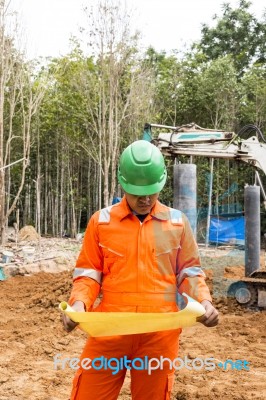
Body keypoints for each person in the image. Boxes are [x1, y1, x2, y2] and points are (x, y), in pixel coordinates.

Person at [62, 140, 219, 400]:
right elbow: (89, 273)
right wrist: (79, 304)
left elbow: (189, 272)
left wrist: (204, 301)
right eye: (137, 193)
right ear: (122, 183)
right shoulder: (101, 222)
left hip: (159, 335)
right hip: (110, 330)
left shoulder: (177, 223)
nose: (145, 199)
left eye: (152, 191)